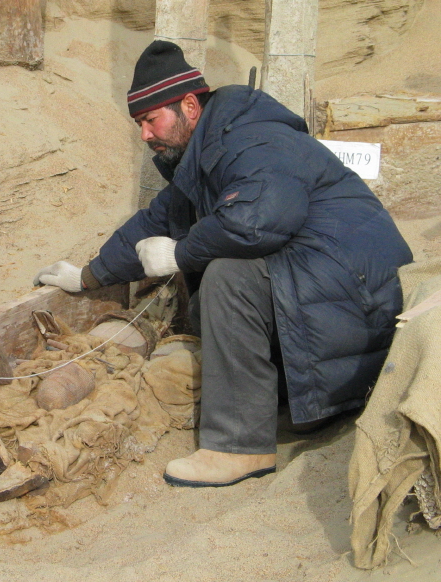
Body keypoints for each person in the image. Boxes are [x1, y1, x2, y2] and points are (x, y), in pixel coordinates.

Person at [34, 40, 413, 488]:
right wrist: (88, 275)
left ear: (189, 105)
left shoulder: (252, 138)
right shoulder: (210, 151)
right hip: (339, 290)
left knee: (228, 277)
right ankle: (301, 403)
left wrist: (179, 253)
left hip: (361, 297)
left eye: (151, 120)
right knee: (221, 277)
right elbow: (156, 219)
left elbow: (258, 222)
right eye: (139, 123)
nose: (145, 135)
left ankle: (238, 448)